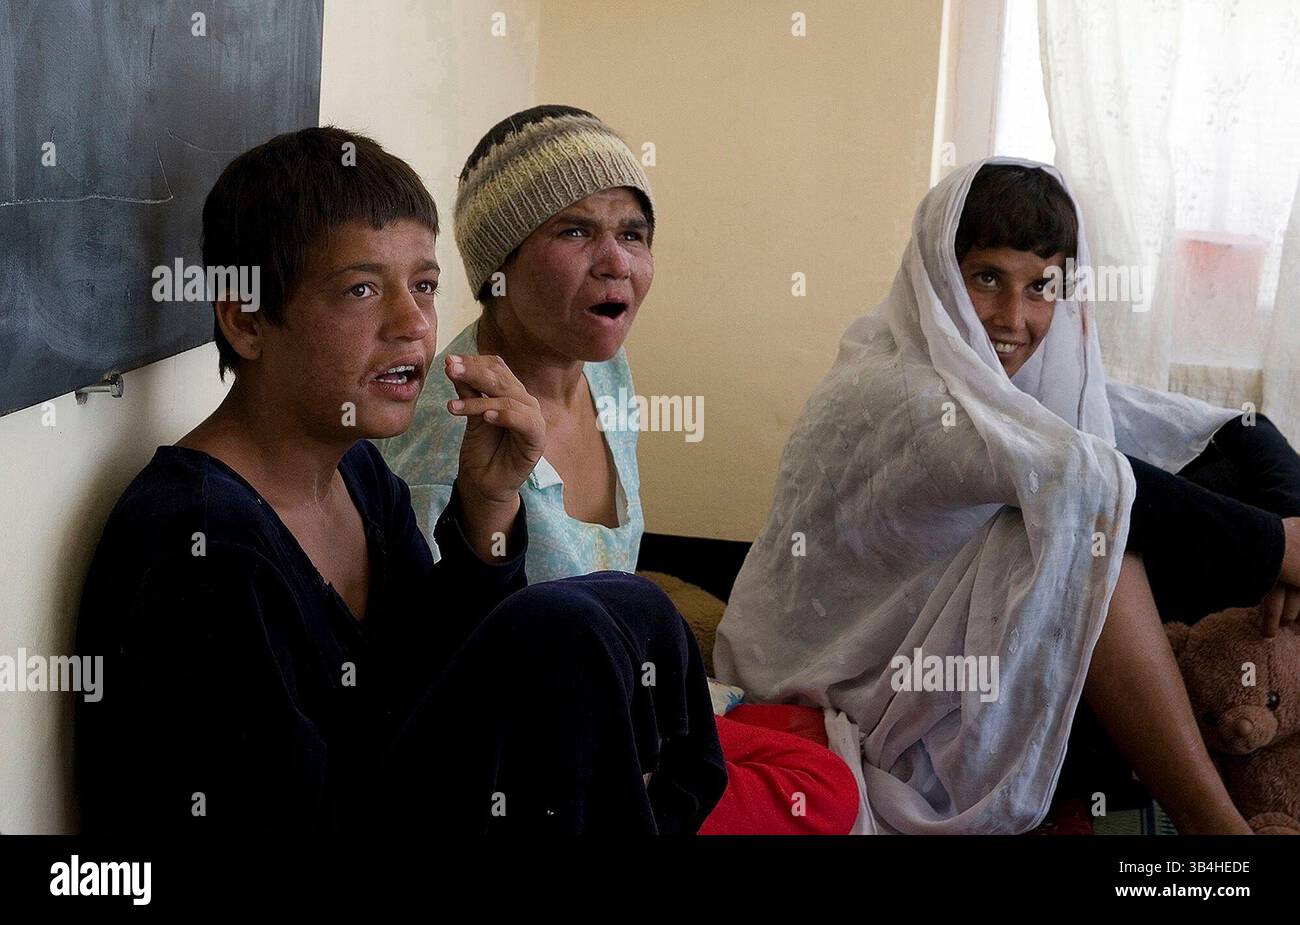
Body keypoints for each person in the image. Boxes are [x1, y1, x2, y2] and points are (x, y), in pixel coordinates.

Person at [74, 126, 725, 834]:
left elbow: (429, 668)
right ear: (247, 320)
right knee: (563, 628)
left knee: (631, 604)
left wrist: (487, 504)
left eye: (424, 285)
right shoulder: (199, 544)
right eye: (360, 289)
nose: (413, 324)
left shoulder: (353, 468)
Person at [715, 158, 1300, 835]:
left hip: (952, 676)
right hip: (844, 685)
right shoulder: (891, 388)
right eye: (987, 279)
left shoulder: (1031, 378)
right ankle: (1220, 836)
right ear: (938, 278)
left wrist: (1292, 526)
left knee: (1157, 497)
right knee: (1091, 529)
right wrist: (1281, 550)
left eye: (1042, 286)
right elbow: (1083, 481)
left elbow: (1229, 430)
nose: (1013, 318)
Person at [380, 105, 861, 834]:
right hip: (545, 766)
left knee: (822, 758)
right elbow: (437, 670)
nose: (617, 263)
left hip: (629, 706)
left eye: (632, 233)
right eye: (575, 231)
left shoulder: (605, 373)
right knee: (809, 790)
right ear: (498, 267)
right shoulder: (455, 423)